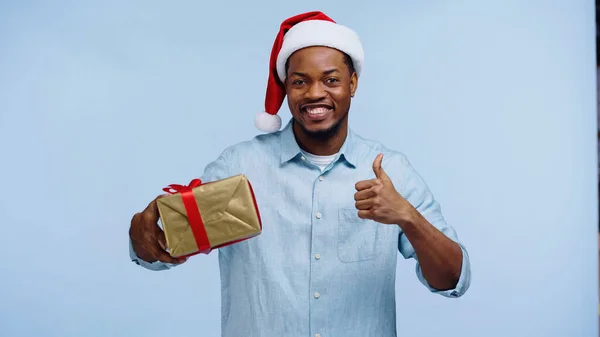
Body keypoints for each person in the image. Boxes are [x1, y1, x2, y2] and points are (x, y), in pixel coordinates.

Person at [129, 11, 471, 337]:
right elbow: (164, 248)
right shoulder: (239, 166)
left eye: (331, 80)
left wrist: (408, 217)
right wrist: (143, 235)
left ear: (352, 84)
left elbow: (453, 279)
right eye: (300, 82)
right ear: (287, 87)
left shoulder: (391, 172)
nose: (315, 93)